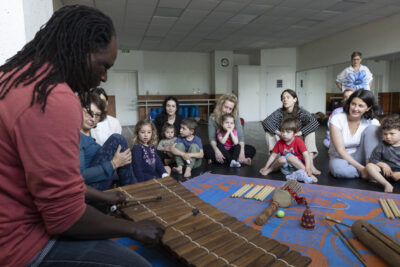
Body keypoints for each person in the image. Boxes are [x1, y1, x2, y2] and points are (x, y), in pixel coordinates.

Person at [0, 6, 163, 267]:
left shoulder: (15, 77)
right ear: (80, 50)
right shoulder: (53, 98)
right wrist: (131, 229)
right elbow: (64, 218)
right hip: (19, 246)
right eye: (103, 66)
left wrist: (102, 197)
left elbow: (49, 180)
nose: (104, 77)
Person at [80, 92, 136, 190]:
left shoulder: (90, 139)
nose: (93, 118)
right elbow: (80, 176)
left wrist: (119, 164)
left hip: (103, 182)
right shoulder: (76, 137)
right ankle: (133, 189)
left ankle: (133, 187)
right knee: (117, 139)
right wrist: (113, 164)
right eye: (89, 113)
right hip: (90, 191)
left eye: (97, 115)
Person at [262, 89, 320, 175]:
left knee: (311, 133)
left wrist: (300, 132)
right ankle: (277, 161)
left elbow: (315, 123)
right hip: (283, 139)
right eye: (283, 98)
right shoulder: (279, 112)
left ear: (295, 99)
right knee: (268, 133)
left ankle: (310, 165)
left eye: (288, 97)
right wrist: (278, 133)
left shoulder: (301, 112)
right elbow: (266, 122)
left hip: (297, 139)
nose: (285, 99)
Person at [329, 89, 380, 179]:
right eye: (353, 104)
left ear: (368, 108)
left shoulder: (373, 122)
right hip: (341, 156)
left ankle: (370, 168)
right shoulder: (337, 119)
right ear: (349, 103)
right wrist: (362, 169)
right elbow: (340, 151)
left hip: (363, 157)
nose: (355, 109)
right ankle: (370, 173)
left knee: (373, 128)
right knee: (338, 170)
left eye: (360, 106)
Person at [259, 118, 318, 183]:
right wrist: (266, 167)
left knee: (289, 157)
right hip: (285, 170)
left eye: (288, 132)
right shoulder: (279, 142)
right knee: (281, 159)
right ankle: (270, 170)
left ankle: (308, 175)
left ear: (294, 133)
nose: (284, 134)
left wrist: (308, 168)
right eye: (282, 131)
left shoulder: (298, 141)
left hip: (298, 167)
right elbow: (272, 156)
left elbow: (306, 155)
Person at [204, 93, 256, 165]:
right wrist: (217, 151)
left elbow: (240, 137)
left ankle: (221, 161)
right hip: (220, 147)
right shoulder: (212, 118)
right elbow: (212, 138)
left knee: (251, 149)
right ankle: (237, 160)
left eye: (230, 109)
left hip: (232, 147)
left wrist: (241, 152)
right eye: (225, 107)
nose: (227, 111)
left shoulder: (235, 117)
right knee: (206, 148)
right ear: (220, 105)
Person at [366, 115, 400, 192]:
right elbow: (373, 159)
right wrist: (383, 165)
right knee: (369, 165)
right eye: (385, 134)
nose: (388, 137)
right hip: (387, 172)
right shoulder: (382, 145)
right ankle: (386, 184)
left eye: (392, 133)